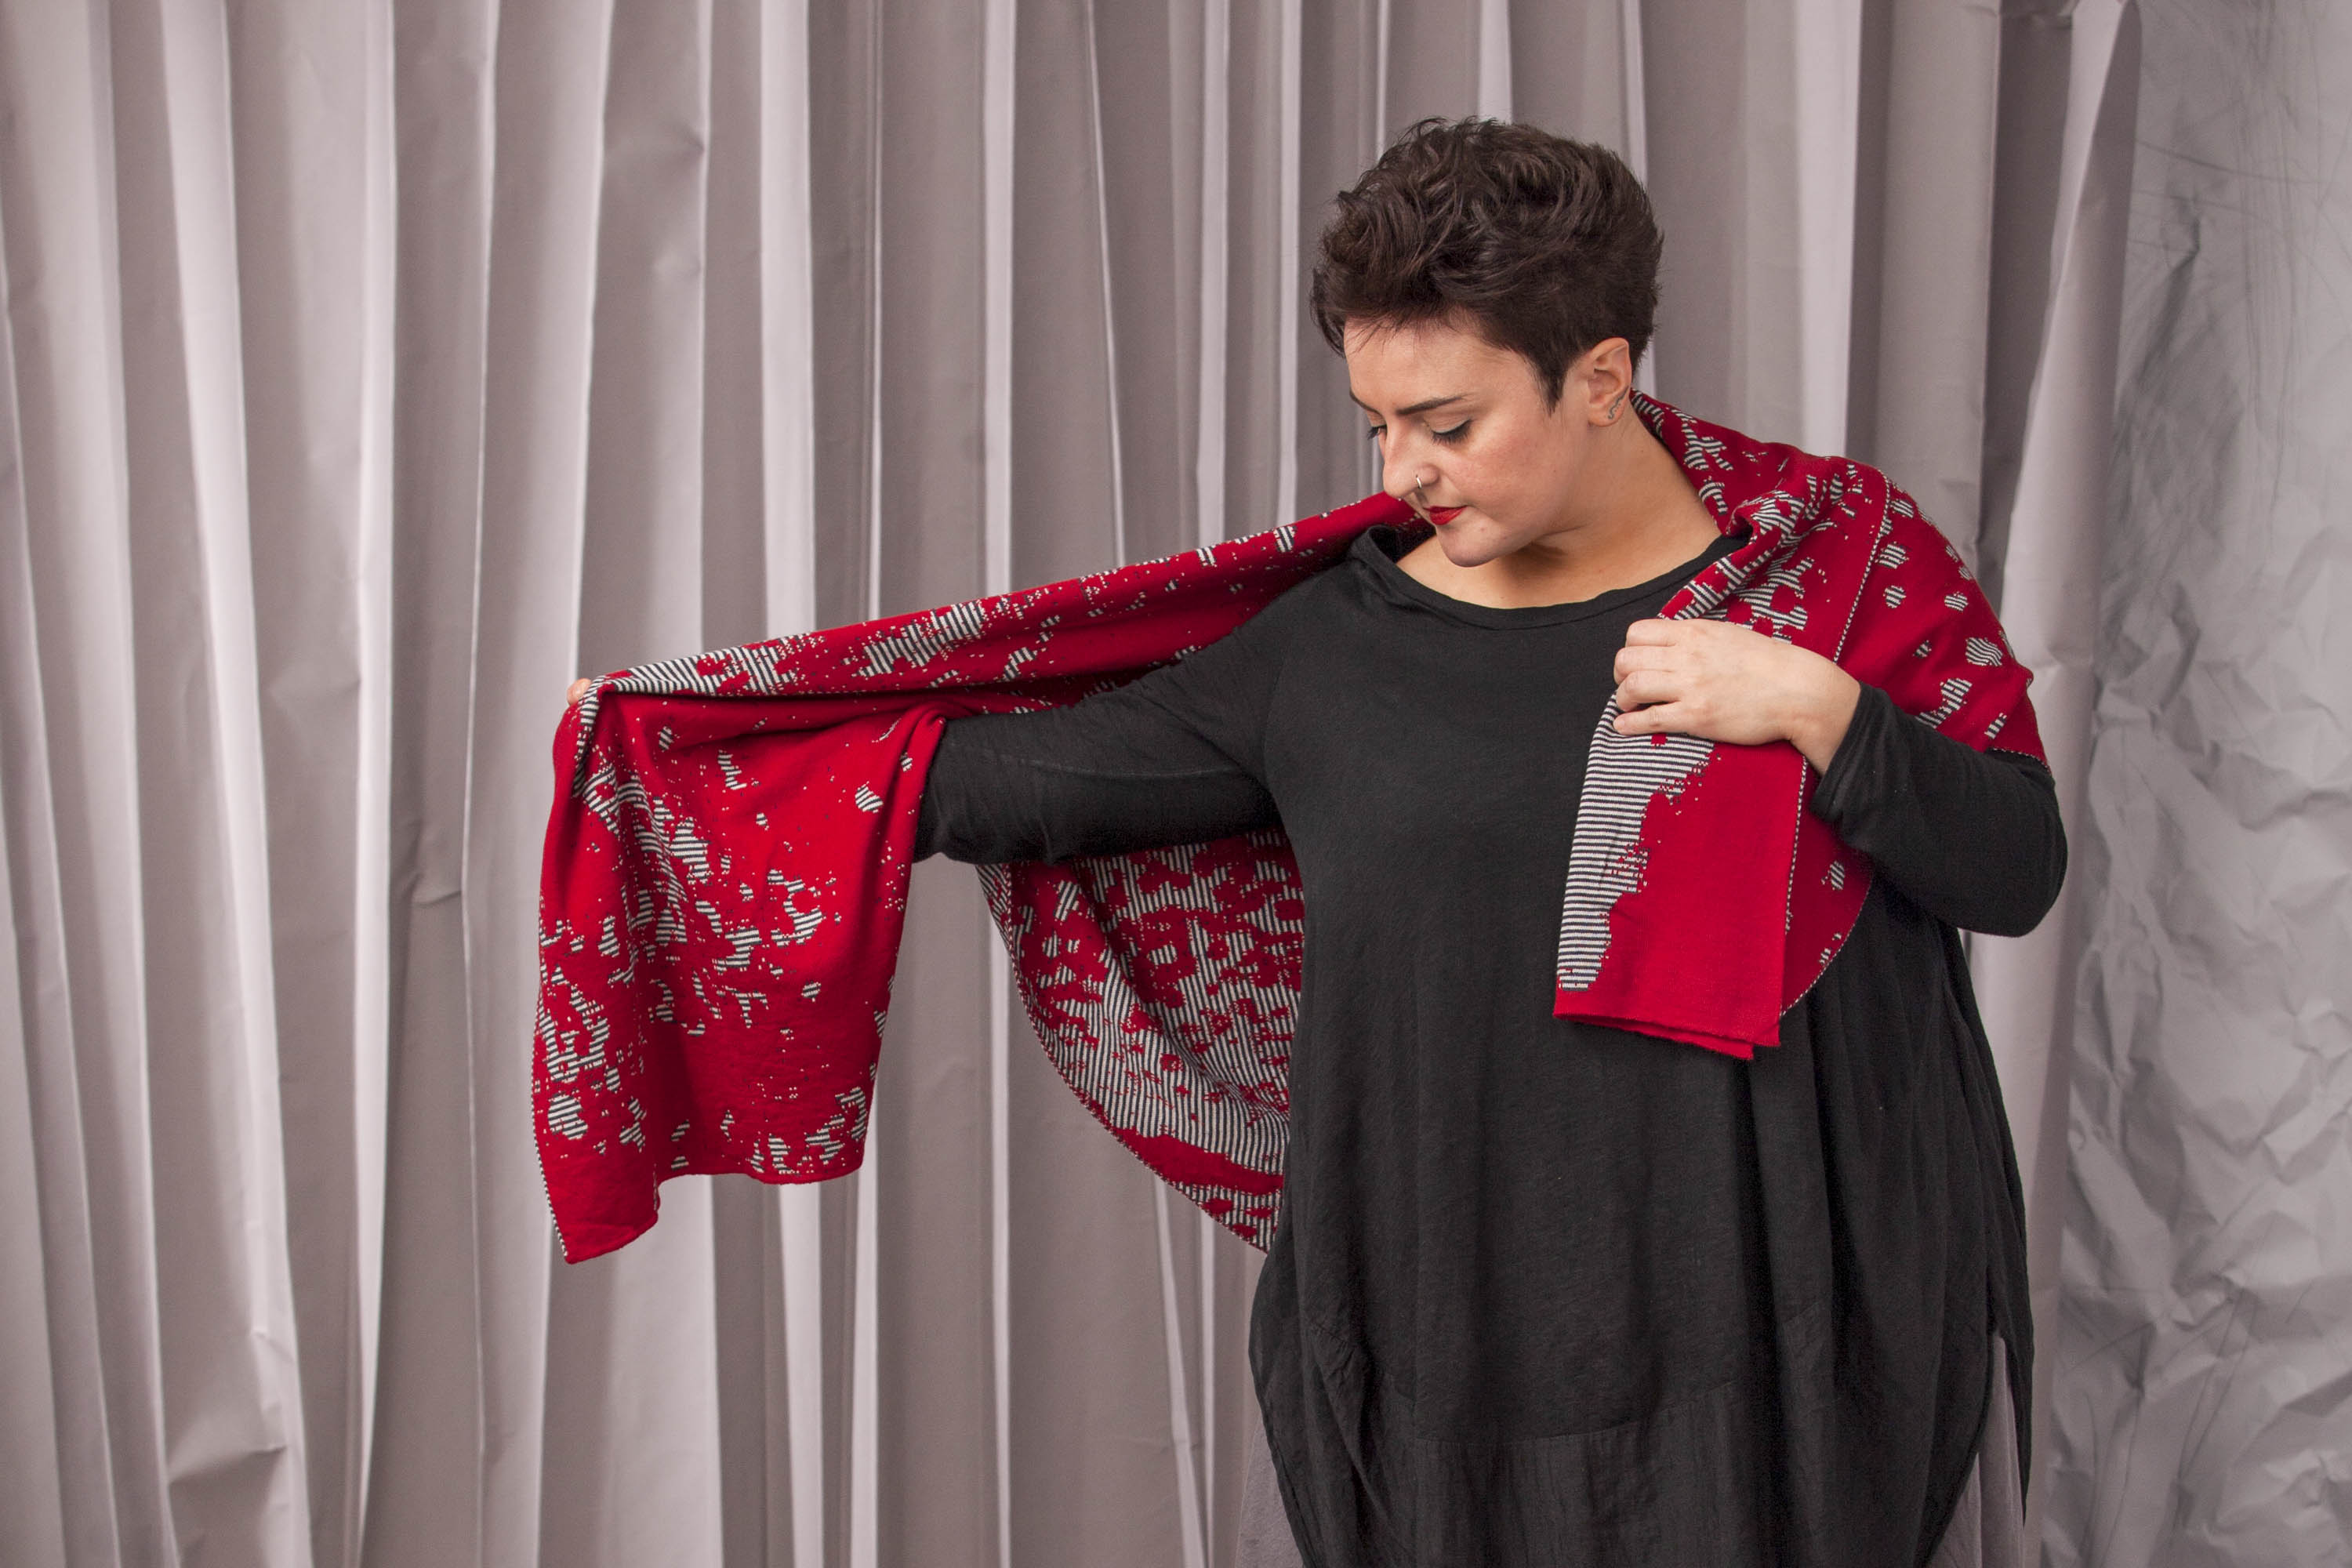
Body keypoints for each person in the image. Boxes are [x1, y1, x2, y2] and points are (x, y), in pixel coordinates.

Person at [907, 120, 2063, 1565]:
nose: (1404, 472)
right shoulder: (1332, 649)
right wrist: (679, 735)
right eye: (1377, 424)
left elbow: (2015, 863)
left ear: (1600, 377)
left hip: (1800, 1356)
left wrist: (1828, 716)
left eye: (1448, 426)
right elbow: (1001, 780)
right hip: (1446, 1368)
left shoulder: (1828, 564)